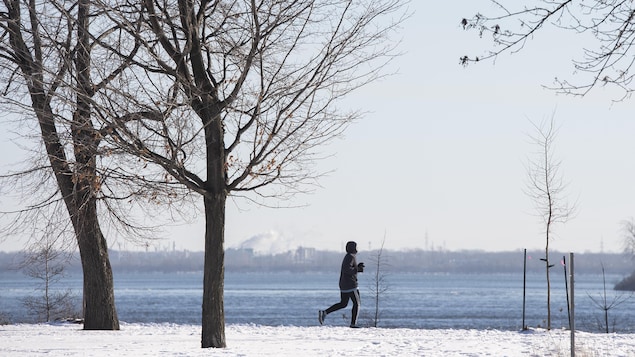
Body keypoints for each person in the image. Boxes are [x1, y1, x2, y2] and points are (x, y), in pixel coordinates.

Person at [319, 241, 365, 328]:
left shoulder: (349, 257)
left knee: (343, 303)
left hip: (344, 284)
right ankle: (353, 324)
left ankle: (324, 312)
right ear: (353, 248)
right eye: (356, 247)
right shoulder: (350, 257)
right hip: (351, 284)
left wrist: (357, 267)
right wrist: (357, 270)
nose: (357, 249)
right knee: (357, 303)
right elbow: (347, 269)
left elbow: (349, 268)